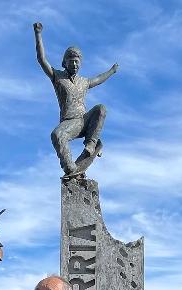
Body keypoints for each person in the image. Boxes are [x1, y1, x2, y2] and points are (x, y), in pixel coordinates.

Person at [33, 21, 118, 177]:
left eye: (76, 61)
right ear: (64, 63)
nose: (73, 63)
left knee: (101, 108)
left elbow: (99, 78)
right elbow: (41, 59)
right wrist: (38, 34)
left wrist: (112, 71)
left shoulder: (84, 82)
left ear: (80, 64)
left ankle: (91, 143)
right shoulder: (57, 77)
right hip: (69, 122)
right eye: (70, 60)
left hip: (84, 120)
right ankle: (69, 167)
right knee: (57, 135)